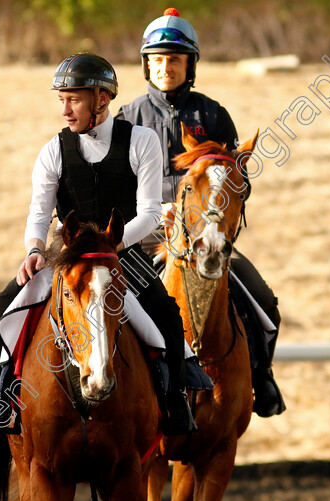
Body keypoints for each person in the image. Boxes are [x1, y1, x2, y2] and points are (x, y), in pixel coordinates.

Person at [0, 52, 209, 436]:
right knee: (1, 308)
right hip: (66, 259)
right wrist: (36, 250)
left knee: (168, 317)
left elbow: (151, 214)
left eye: (73, 99)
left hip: (122, 256)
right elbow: (39, 215)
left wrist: (113, 247)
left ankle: (173, 402)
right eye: (62, 100)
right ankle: (3, 398)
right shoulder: (52, 151)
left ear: (102, 98)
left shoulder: (142, 140)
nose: (65, 110)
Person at [116, 8, 286, 417]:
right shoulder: (127, 118)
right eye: (156, 60)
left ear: (189, 65)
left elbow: (235, 184)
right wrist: (154, 215)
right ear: (146, 65)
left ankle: (261, 377)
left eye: (173, 59)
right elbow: (116, 189)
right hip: (146, 238)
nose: (165, 68)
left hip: (204, 236)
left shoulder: (214, 116)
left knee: (263, 298)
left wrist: (210, 218)